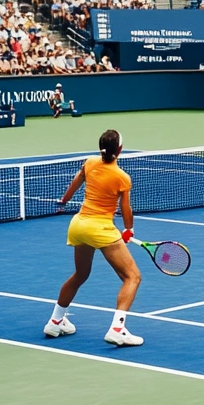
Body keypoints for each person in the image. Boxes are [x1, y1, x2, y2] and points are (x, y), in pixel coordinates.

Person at [46, 129, 143, 347]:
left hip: (78, 225)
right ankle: (118, 329)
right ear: (120, 150)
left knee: (80, 274)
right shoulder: (122, 177)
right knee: (132, 277)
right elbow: (126, 209)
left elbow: (75, 183)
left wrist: (64, 200)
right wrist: (129, 230)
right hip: (100, 229)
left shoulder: (89, 163)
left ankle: (55, 321)